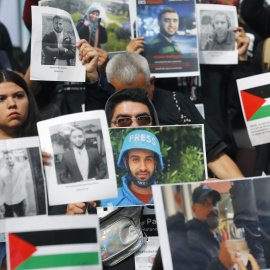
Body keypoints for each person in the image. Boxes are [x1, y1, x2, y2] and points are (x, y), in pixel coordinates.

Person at [105, 52, 244, 179]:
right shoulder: (102, 112)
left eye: (140, 95)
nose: (133, 102)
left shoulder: (177, 104)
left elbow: (213, 155)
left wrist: (244, 189)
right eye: (122, 97)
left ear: (151, 83)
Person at [0, 69, 39, 268]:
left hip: (41, 246)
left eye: (18, 95)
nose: (12, 104)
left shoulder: (48, 150)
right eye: (1, 98)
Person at [101, 129, 163, 206]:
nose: (143, 168)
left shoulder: (169, 199)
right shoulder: (108, 201)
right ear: (126, 163)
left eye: (148, 160)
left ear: (155, 163)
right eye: (135, 160)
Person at [187, 185, 240, 270]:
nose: (212, 208)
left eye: (214, 203)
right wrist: (221, 264)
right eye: (205, 203)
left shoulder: (218, 237)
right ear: (194, 210)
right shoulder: (190, 242)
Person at [0, 151, 29, 218]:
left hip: (20, 200)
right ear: (4, 160)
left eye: (10, 157)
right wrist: (1, 204)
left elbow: (27, 160)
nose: (9, 160)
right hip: (7, 202)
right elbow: (0, 189)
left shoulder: (20, 167)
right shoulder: (1, 172)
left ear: (14, 158)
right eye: (7, 158)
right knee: (9, 221)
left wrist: (24, 154)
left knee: (22, 219)